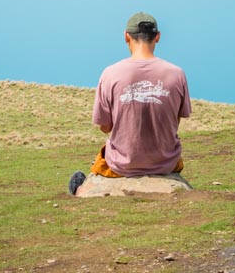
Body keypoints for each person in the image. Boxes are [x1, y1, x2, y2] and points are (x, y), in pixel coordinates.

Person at [69, 11, 192, 194]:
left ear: (126, 36)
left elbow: (104, 126)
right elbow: (176, 120)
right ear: (157, 37)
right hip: (166, 162)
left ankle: (80, 189)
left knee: (100, 160)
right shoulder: (177, 73)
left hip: (123, 164)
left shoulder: (110, 73)